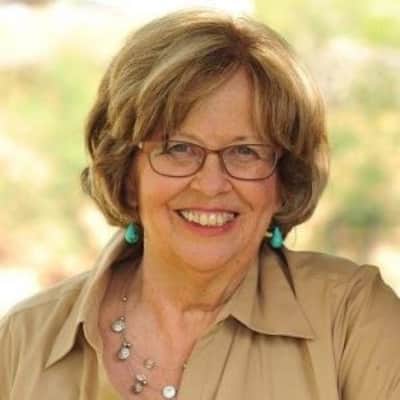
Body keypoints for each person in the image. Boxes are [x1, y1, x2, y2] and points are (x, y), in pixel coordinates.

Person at [1, 8, 399, 400]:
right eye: (179, 148)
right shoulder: (22, 340)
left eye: (245, 151)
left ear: (283, 180)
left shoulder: (351, 320)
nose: (211, 185)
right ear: (127, 172)